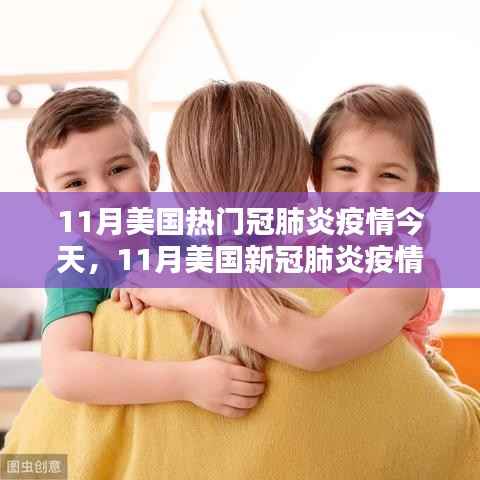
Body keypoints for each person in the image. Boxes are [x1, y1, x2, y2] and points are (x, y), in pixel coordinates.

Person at [117, 84, 443, 373]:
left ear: (421, 192)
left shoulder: (407, 275)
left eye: (389, 176)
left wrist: (186, 292)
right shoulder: (297, 245)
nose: (364, 191)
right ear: (316, 177)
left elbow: (317, 346)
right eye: (346, 168)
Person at [28, 86, 265, 416]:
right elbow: (64, 373)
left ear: (152, 171)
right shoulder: (75, 271)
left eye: (117, 169)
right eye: (74, 184)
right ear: (49, 201)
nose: (102, 192)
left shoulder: (184, 241)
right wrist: (188, 381)